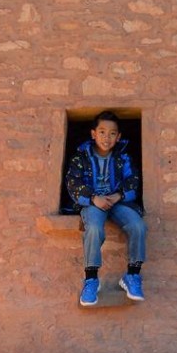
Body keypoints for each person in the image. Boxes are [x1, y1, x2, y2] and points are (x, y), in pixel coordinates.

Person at [65, 110, 147, 306]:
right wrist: (93, 198)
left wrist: (119, 195)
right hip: (93, 203)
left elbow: (133, 180)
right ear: (93, 134)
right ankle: (91, 279)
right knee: (93, 228)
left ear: (118, 137)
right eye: (102, 132)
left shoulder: (123, 157)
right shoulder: (81, 157)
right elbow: (72, 182)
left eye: (112, 133)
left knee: (138, 226)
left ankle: (132, 275)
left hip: (118, 202)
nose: (107, 137)